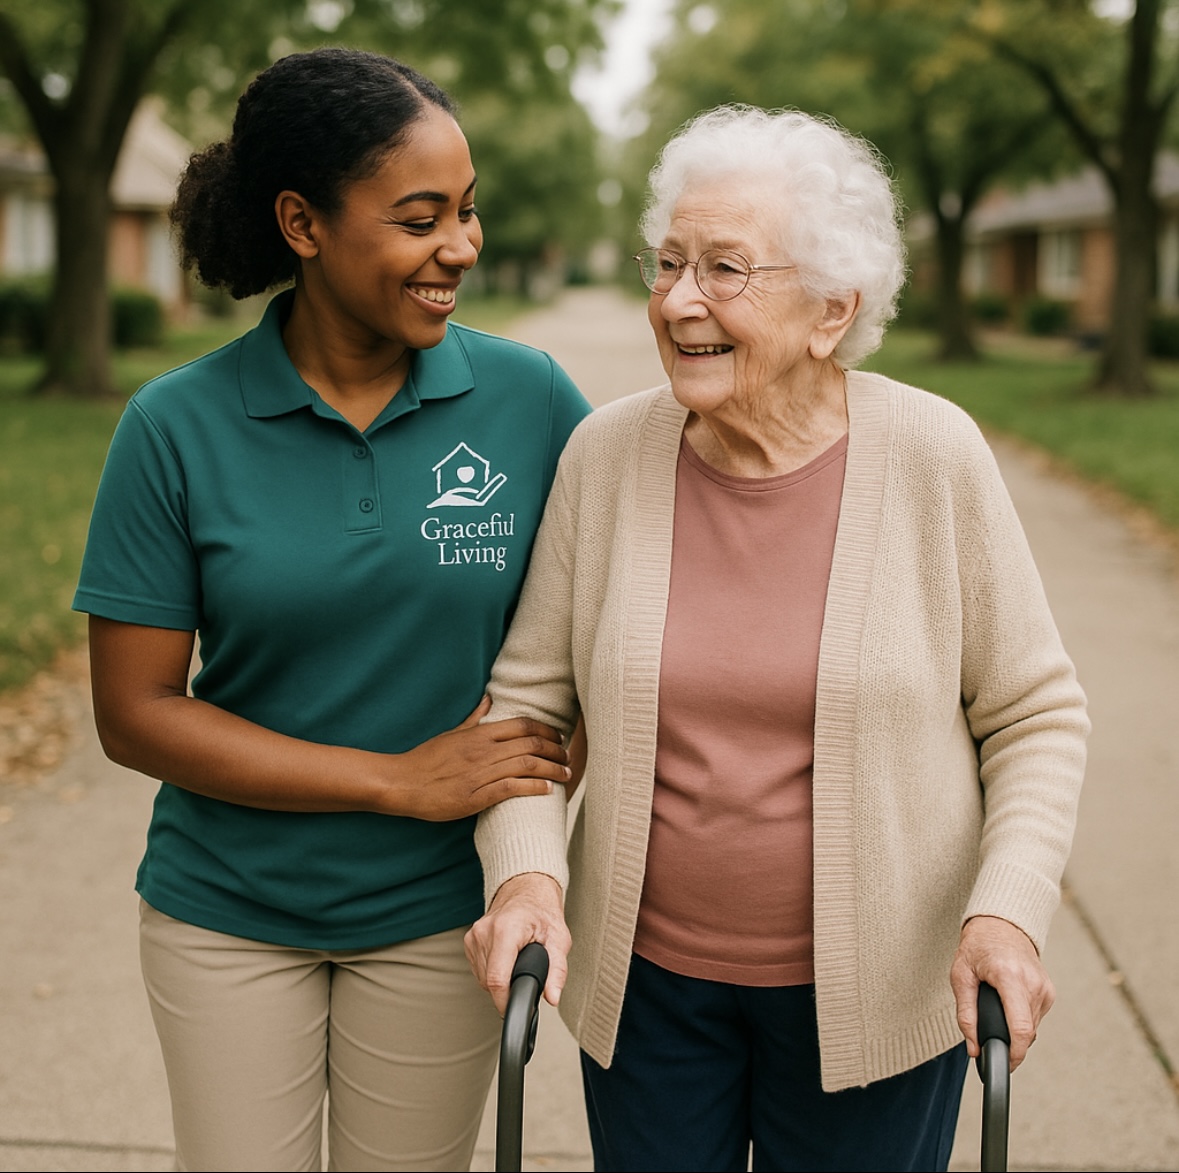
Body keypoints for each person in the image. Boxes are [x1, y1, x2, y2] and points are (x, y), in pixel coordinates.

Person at [464, 104, 1089, 1172]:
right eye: (668, 263)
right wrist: (527, 879)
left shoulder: (933, 456)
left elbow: (1035, 714)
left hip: (885, 995)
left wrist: (1008, 911)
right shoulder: (607, 457)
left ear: (831, 312)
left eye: (724, 269)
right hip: (649, 999)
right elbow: (527, 710)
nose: (678, 301)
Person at [72, 47, 590, 1172]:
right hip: (226, 914)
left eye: (467, 211)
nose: (462, 245)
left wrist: (543, 813)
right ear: (303, 225)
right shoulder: (175, 427)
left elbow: (612, 629)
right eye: (419, 218)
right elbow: (137, 714)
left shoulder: (532, 402)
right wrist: (396, 780)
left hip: (442, 919)